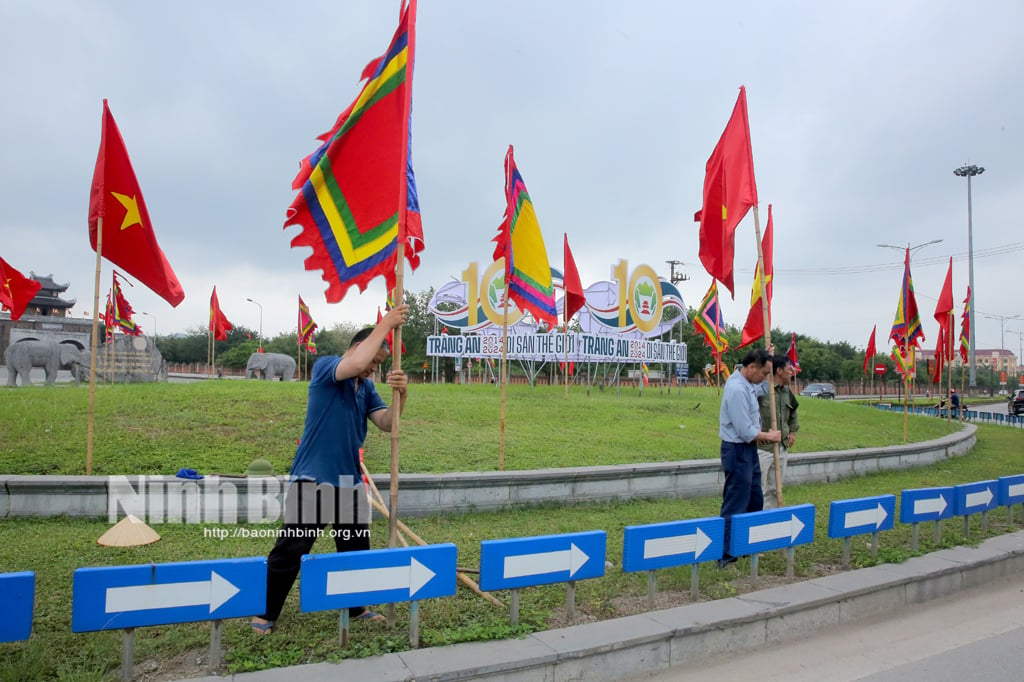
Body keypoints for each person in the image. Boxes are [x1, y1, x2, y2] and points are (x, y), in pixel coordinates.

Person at [252, 305, 409, 634]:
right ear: (357, 349)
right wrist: (385, 323)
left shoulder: (365, 389)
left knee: (354, 547)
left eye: (379, 367)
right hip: (312, 478)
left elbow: (387, 423)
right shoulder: (327, 368)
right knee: (291, 548)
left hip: (350, 482)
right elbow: (354, 363)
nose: (373, 371)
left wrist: (401, 394)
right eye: (374, 363)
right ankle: (265, 613)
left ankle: (357, 608)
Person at [718, 347, 781, 568]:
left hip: (749, 450)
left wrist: (769, 355)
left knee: (755, 499)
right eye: (764, 372)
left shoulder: (749, 384)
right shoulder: (736, 389)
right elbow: (745, 430)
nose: (765, 377)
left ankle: (745, 546)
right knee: (736, 501)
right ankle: (726, 555)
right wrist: (770, 436)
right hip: (737, 450)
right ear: (752, 367)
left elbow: (765, 386)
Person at [757, 355, 800, 509]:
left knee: (776, 490)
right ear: (779, 370)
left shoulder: (787, 393)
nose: (792, 372)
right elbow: (748, 412)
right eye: (789, 369)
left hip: (781, 447)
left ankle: (771, 521)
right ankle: (756, 522)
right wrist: (757, 434)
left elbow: (794, 412)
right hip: (762, 449)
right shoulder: (762, 390)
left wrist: (792, 432)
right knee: (758, 489)